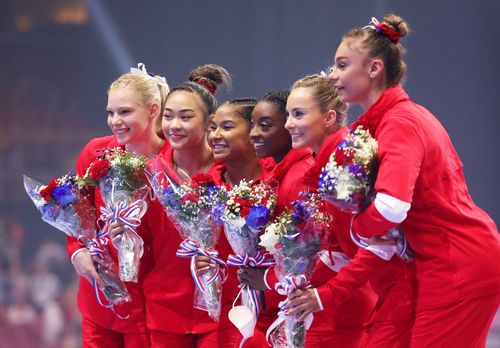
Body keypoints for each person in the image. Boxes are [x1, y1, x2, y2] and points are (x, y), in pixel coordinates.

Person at [328, 14, 500, 347]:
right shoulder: (393, 119)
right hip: (451, 259)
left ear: (374, 69)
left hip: (458, 264)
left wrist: (358, 230)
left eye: (342, 64)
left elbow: (392, 206)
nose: (333, 74)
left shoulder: (400, 122)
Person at [283, 74, 416, 347]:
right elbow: (343, 245)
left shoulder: (346, 169)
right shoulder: (328, 166)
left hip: (402, 289)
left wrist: (324, 295)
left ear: (329, 118)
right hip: (387, 291)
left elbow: (380, 245)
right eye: (288, 114)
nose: (289, 124)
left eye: (298, 114)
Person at [67, 64, 170, 347]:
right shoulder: (95, 152)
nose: (115, 120)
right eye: (110, 112)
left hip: (152, 304)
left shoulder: (173, 158)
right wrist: (78, 255)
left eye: (125, 112)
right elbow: (77, 214)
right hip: (100, 300)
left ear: (152, 111)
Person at [139, 64, 241, 348]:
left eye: (186, 117)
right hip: (165, 309)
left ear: (210, 123)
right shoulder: (149, 174)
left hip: (222, 308)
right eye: (168, 117)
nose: (174, 125)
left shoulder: (232, 172)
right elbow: (145, 247)